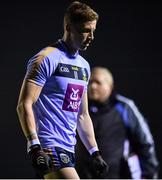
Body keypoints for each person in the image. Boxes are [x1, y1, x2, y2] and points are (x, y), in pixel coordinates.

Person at [16, 2, 108, 179]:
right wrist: (35, 146)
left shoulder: (84, 66)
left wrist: (94, 152)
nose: (91, 37)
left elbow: (82, 115)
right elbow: (24, 104)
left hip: (68, 148)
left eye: (93, 31)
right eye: (85, 30)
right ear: (68, 27)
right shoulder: (45, 58)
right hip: (48, 147)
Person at [75, 66, 159, 179]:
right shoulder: (78, 107)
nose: (92, 86)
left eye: (98, 82)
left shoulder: (124, 107)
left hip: (116, 175)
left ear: (110, 86)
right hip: (82, 175)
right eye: (90, 82)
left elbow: (145, 143)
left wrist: (149, 175)